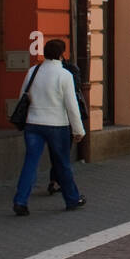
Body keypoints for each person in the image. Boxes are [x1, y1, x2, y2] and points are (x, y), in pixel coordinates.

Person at [13, 38, 85, 215]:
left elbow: (23, 95)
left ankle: (20, 201)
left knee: (30, 163)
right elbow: (71, 105)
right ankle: (72, 199)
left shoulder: (33, 71)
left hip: (33, 123)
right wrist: (78, 130)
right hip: (56, 125)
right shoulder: (64, 75)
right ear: (62, 54)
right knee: (62, 163)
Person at [45, 49, 89, 197]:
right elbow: (72, 100)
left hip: (47, 119)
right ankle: (66, 189)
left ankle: (56, 181)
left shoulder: (41, 71)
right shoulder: (68, 71)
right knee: (62, 155)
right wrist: (79, 129)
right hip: (63, 119)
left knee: (57, 153)